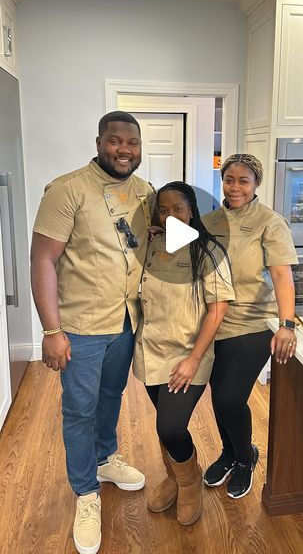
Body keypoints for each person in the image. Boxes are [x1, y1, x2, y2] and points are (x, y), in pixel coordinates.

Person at [30, 110, 156, 554]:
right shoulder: (67, 190)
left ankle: (104, 459)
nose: (124, 150)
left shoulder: (144, 192)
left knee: (110, 396)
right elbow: (42, 260)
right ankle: (86, 492)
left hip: (125, 320)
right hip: (81, 326)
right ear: (100, 141)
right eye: (116, 141)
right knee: (79, 409)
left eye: (132, 143)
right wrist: (50, 330)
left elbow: (160, 243)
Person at [132, 181, 235, 526]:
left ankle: (189, 482)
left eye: (178, 208)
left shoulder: (208, 252)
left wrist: (192, 360)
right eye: (163, 209)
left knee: (172, 426)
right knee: (165, 428)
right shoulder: (151, 246)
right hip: (151, 350)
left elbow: (217, 311)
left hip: (188, 356)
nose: (171, 215)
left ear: (192, 209)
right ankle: (173, 478)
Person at [202, 153, 298, 500]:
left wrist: (287, 325)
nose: (235, 187)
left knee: (230, 398)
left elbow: (282, 276)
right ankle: (229, 453)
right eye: (229, 179)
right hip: (214, 320)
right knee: (218, 395)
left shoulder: (270, 223)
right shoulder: (210, 220)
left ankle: (245, 457)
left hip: (255, 321)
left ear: (256, 183)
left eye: (244, 180)